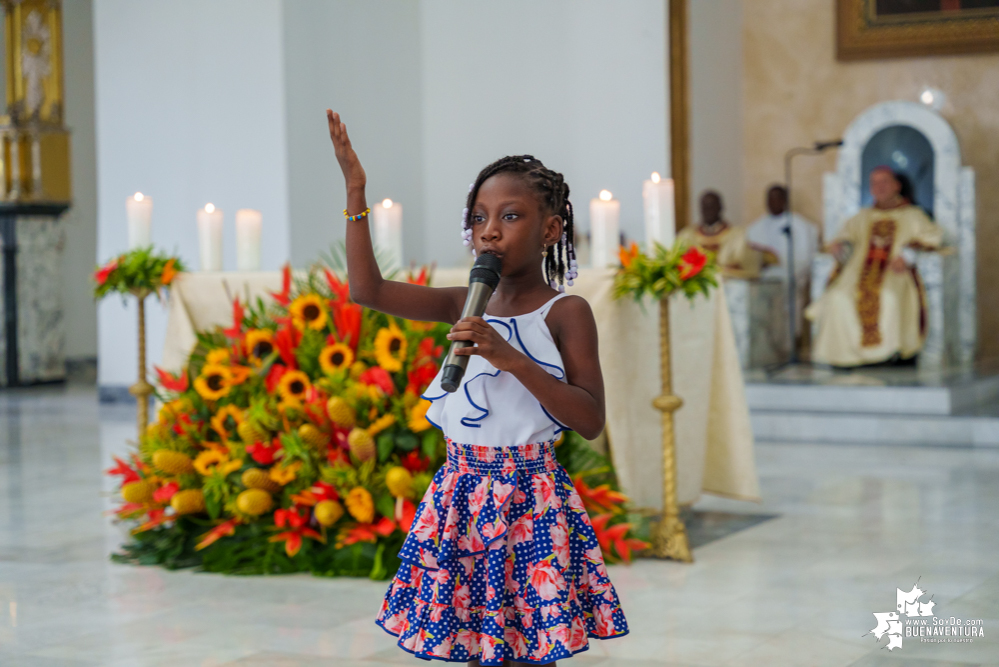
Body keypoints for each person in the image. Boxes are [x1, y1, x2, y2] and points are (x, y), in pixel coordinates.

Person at [326, 110, 628, 667]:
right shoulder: (461, 300)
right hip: (461, 493)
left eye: (510, 216)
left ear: (550, 229)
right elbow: (365, 290)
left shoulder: (567, 312)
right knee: (472, 644)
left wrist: (510, 358)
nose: (489, 229)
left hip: (529, 499)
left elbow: (589, 418)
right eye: (480, 217)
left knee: (524, 647)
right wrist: (355, 190)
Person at [805, 167, 943, 367]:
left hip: (893, 271)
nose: (879, 187)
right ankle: (844, 356)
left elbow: (931, 236)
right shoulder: (862, 217)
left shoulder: (913, 214)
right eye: (874, 183)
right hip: (858, 272)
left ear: (897, 185)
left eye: (884, 182)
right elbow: (845, 237)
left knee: (888, 297)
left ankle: (889, 356)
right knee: (837, 298)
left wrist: (908, 256)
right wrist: (840, 245)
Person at [746, 184, 819, 335]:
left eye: (777, 199)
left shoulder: (800, 225)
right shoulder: (755, 227)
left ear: (785, 201)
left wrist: (780, 263)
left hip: (788, 274)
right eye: (769, 199)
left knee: (782, 285)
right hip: (762, 275)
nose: (772, 203)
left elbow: (804, 258)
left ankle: (789, 339)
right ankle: (759, 339)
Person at [678, 190, 773, 279]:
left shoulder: (739, 235)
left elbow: (749, 268)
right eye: (705, 207)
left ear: (721, 207)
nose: (708, 211)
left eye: (712, 206)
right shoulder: (687, 236)